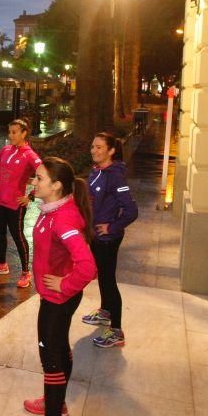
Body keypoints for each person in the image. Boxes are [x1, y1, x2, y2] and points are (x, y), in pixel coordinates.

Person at [14, 157, 97, 416]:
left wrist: (65, 284)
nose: (33, 183)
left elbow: (87, 267)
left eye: (39, 179)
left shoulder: (62, 218)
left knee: (51, 356)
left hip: (58, 299)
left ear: (57, 186)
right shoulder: (53, 209)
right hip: (54, 297)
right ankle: (57, 403)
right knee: (59, 347)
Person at [81, 132, 139, 348]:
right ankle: (105, 312)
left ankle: (116, 332)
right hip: (96, 235)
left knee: (109, 281)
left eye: (99, 147)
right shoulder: (98, 171)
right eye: (92, 147)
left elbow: (132, 211)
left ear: (111, 151)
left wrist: (112, 226)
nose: (93, 150)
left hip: (107, 239)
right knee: (104, 278)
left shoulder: (115, 175)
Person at [0, 119, 41, 288]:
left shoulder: (30, 154)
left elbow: (44, 175)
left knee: (18, 237)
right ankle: (2, 265)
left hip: (14, 204)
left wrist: (30, 196)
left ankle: (26, 272)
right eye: (9, 132)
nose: (10, 135)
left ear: (24, 133)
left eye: (14, 132)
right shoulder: (5, 150)